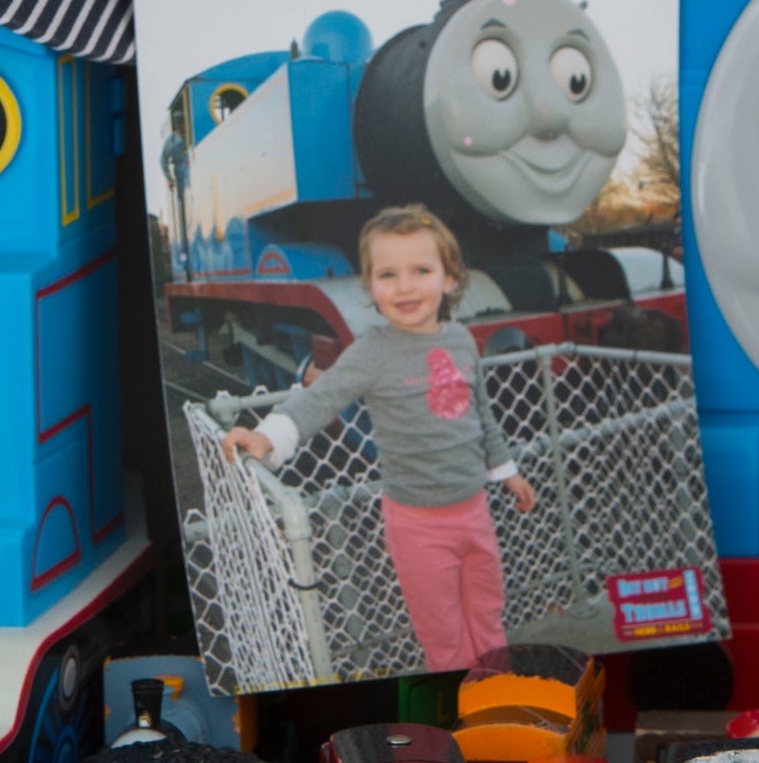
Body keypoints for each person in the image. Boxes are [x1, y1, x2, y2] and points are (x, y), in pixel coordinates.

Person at [224, 205, 538, 672]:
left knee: (489, 619)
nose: (405, 286)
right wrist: (267, 437)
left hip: (475, 511)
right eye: (387, 274)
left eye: (421, 270)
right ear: (369, 287)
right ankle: (458, 709)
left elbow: (483, 416)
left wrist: (506, 471)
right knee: (444, 636)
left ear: (449, 279)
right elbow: (320, 398)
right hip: (418, 526)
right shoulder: (371, 351)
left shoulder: (460, 341)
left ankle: (495, 696)